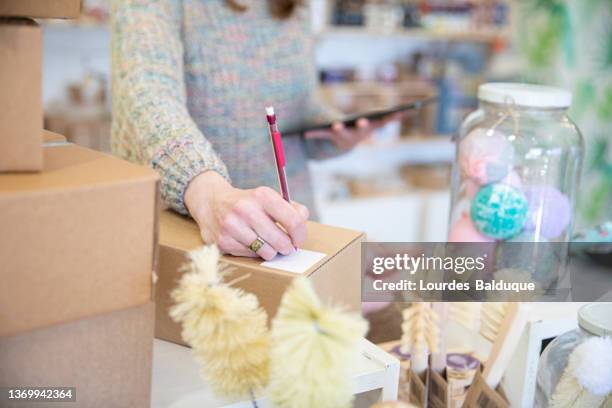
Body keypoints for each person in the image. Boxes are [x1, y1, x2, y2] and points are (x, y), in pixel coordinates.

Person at [112, 0, 394, 260]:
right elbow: (146, 94)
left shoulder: (296, 7)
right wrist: (207, 194)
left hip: (297, 236)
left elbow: (297, 109)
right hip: (199, 246)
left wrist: (334, 134)